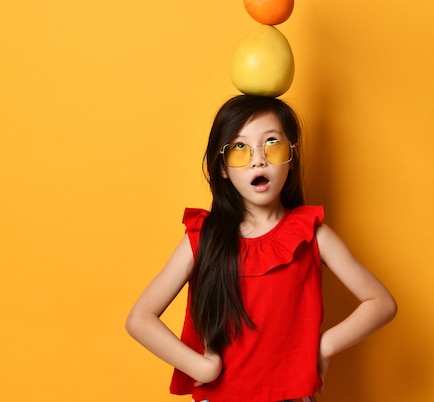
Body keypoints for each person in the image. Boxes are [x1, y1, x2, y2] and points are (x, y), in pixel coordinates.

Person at [126, 95, 397, 402]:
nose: (259, 159)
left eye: (272, 143)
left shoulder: (312, 233)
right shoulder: (205, 237)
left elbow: (381, 302)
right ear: (223, 168)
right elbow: (140, 319)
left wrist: (322, 345)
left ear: (291, 154)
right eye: (240, 148)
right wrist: (201, 369)